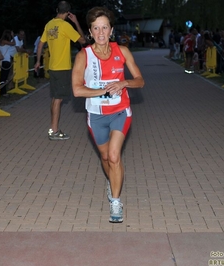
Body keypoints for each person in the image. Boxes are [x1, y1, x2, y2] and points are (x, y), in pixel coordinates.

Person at [72, 6, 144, 223]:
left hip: (121, 111)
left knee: (114, 155)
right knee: (105, 157)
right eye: (96, 28)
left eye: (104, 27)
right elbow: (77, 90)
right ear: (90, 31)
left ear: (111, 30)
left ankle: (115, 201)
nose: (101, 33)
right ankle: (111, 180)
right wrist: (103, 89)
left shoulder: (123, 51)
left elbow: (140, 81)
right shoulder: (84, 56)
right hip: (96, 115)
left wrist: (124, 83)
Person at [34, 1, 86, 141]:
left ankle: (53, 128)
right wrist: (76, 22)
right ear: (68, 12)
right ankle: (54, 131)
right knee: (58, 99)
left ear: (57, 10)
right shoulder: (65, 26)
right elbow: (82, 40)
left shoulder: (49, 24)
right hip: (62, 68)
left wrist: (38, 61)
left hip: (52, 67)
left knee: (55, 98)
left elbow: (40, 45)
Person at [0, 29, 17, 96]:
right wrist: (13, 36)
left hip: (6, 60)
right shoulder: (3, 41)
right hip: (5, 61)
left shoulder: (3, 41)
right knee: (3, 77)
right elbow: (14, 43)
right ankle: (2, 92)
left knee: (4, 77)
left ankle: (3, 91)